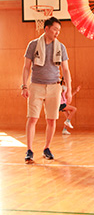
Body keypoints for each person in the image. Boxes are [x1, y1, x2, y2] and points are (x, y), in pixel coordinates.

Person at [21, 16, 72, 163]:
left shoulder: (61, 47)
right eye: (55, 29)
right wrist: (24, 85)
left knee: (51, 120)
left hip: (54, 87)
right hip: (36, 86)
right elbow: (26, 67)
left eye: (59, 30)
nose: (57, 32)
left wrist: (68, 89)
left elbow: (66, 70)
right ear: (46, 29)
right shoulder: (33, 44)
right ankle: (29, 150)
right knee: (32, 118)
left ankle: (47, 148)